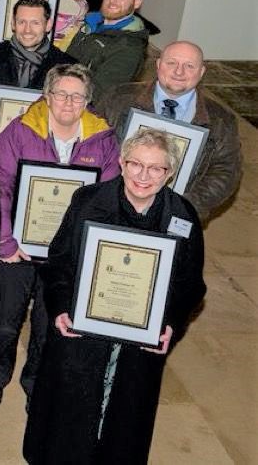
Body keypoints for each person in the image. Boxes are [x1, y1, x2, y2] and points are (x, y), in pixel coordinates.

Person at [24, 130, 206, 464]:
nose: (143, 176)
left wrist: (170, 324)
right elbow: (59, 261)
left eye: (155, 168)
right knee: (67, 431)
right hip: (82, 340)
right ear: (121, 163)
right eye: (136, 164)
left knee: (121, 430)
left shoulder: (182, 216)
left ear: (169, 174)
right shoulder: (87, 201)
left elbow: (191, 286)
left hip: (137, 349)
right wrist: (61, 306)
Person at [0, 63, 120, 409]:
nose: (68, 103)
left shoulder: (103, 140)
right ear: (47, 95)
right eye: (61, 94)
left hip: (64, 256)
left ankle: (35, 384)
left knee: (47, 326)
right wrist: (6, 241)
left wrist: (83, 249)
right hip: (18, 247)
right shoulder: (21, 131)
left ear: (87, 100)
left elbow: (107, 199)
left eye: (77, 96)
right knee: (5, 321)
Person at [95, 40, 242, 223]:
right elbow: (93, 146)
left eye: (189, 66)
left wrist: (185, 206)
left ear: (201, 72)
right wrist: (110, 194)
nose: (179, 72)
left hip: (176, 216)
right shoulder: (118, 98)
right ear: (158, 65)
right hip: (113, 206)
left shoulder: (221, 119)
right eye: (171, 63)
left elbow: (226, 171)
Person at [0, 0, 77, 106]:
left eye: (35, 23)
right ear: (13, 24)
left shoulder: (68, 67)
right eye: (22, 22)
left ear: (48, 25)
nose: (27, 30)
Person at [66, 0, 155, 101]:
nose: (113, 0)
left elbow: (99, 93)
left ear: (137, 2)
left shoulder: (129, 46)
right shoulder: (87, 23)